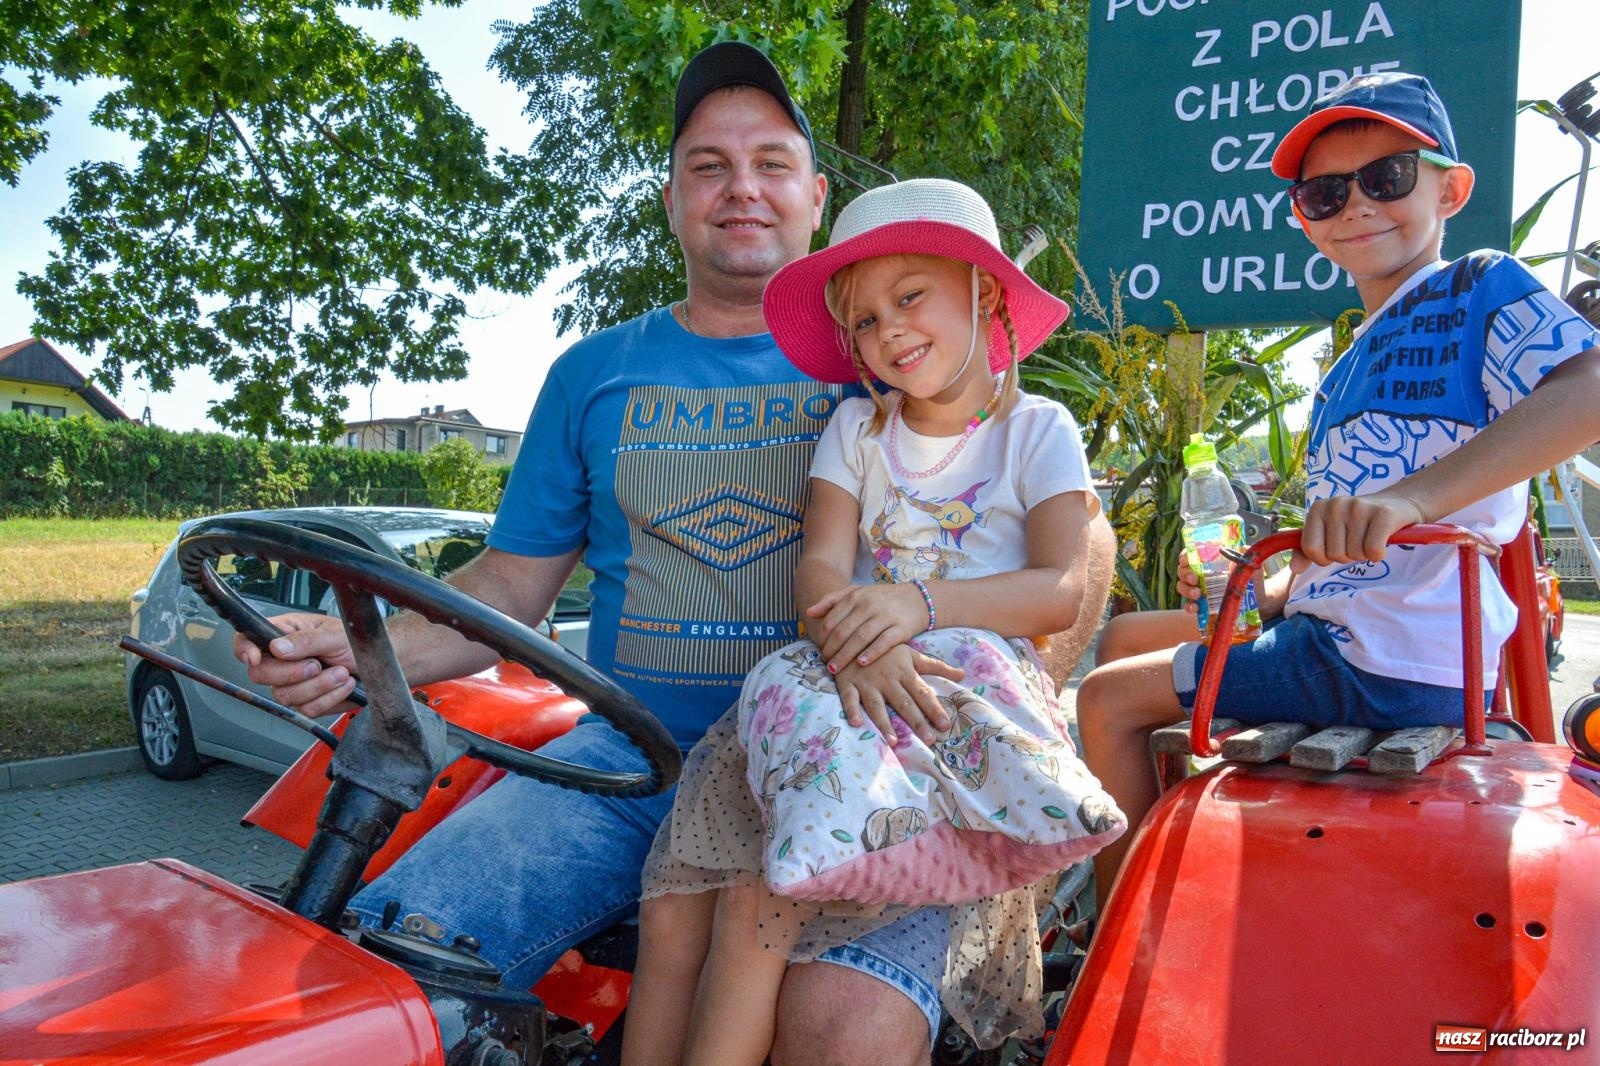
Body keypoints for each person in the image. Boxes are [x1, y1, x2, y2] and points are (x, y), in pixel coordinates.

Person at [232, 41, 1018, 1066]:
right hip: (622, 764)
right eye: (708, 165)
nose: (741, 188)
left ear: (816, 196)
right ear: (671, 197)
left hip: (855, 771)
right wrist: (354, 651)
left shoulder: (894, 359)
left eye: (771, 162)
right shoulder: (592, 373)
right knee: (380, 967)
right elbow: (506, 588)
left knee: (844, 1035)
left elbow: (1053, 533)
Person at [630, 178, 1126, 1065]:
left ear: (983, 295)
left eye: (909, 297)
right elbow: (819, 565)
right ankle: (813, 851)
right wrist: (848, 641)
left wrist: (917, 606)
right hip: (848, 678)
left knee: (759, 907)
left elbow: (1056, 585)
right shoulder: (859, 428)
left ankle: (968, 830)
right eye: (863, 319)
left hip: (950, 688)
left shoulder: (1037, 430)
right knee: (688, 914)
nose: (888, 330)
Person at [1075, 71, 1600, 905]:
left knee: (1106, 701)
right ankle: (1183, 863)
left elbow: (1589, 386)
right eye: (1325, 192)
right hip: (1342, 629)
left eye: (1387, 177)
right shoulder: (1345, 369)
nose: (1357, 205)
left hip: (1388, 658)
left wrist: (1414, 500)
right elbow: (1344, 561)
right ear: (1304, 218)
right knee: (1127, 632)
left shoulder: (1475, 288)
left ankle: (1124, 935)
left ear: (1451, 188)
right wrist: (1265, 583)